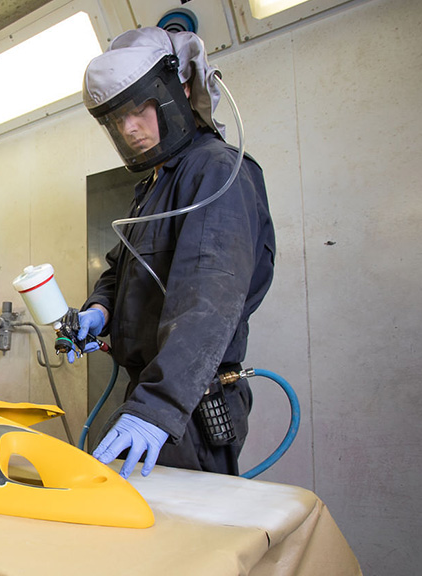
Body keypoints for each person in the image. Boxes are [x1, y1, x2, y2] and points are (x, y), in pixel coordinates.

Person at [69, 28, 276, 478]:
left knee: (174, 541)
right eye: (116, 118)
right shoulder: (154, 186)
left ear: (180, 90)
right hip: (154, 393)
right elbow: (121, 267)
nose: (128, 128)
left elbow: (210, 300)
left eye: (140, 108)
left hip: (188, 403)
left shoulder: (217, 170)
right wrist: (99, 311)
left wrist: (157, 407)